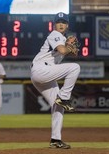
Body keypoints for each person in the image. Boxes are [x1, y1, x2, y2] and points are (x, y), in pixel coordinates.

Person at [30, 12, 80, 149]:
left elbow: (70, 52)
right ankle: (64, 97)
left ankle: (55, 139)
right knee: (75, 68)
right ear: (54, 25)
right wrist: (70, 47)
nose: (61, 24)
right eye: (58, 22)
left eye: (63, 22)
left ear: (67, 25)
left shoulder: (61, 39)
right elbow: (63, 51)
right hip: (42, 70)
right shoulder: (55, 34)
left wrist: (71, 48)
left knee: (57, 106)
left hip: (43, 74)